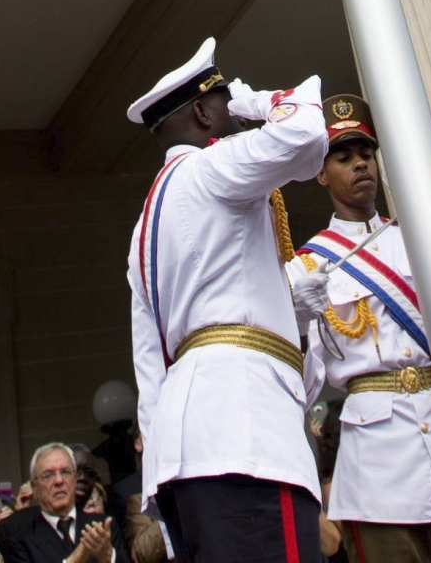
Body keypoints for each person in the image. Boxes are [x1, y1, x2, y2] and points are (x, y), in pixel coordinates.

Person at [124, 37, 330, 563]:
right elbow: (307, 133)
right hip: (247, 437)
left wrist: (287, 303)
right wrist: (258, 100)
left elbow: (152, 367)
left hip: (182, 457)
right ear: (201, 112)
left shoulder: (144, 226)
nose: (235, 118)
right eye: (224, 106)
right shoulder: (210, 170)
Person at [287, 93, 431, 563]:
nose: (360, 165)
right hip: (377, 459)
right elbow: (303, 386)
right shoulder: (306, 266)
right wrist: (300, 321)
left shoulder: (419, 240)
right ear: (320, 173)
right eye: (344, 157)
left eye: (366, 154)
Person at [0, 446, 111, 563]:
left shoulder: (104, 527)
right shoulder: (15, 531)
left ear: (75, 479)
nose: (59, 481)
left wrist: (107, 559)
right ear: (35, 488)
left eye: (65, 472)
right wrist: (78, 556)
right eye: (48, 475)